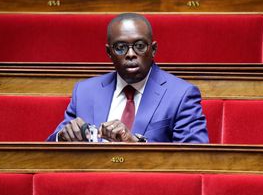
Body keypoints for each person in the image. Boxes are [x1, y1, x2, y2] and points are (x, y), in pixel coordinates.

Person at [47, 13, 208, 143]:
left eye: (139, 46)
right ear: (109, 53)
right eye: (120, 48)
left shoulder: (181, 95)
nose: (131, 54)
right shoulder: (84, 92)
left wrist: (137, 144)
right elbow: (50, 151)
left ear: (153, 50)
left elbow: (195, 157)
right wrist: (62, 137)